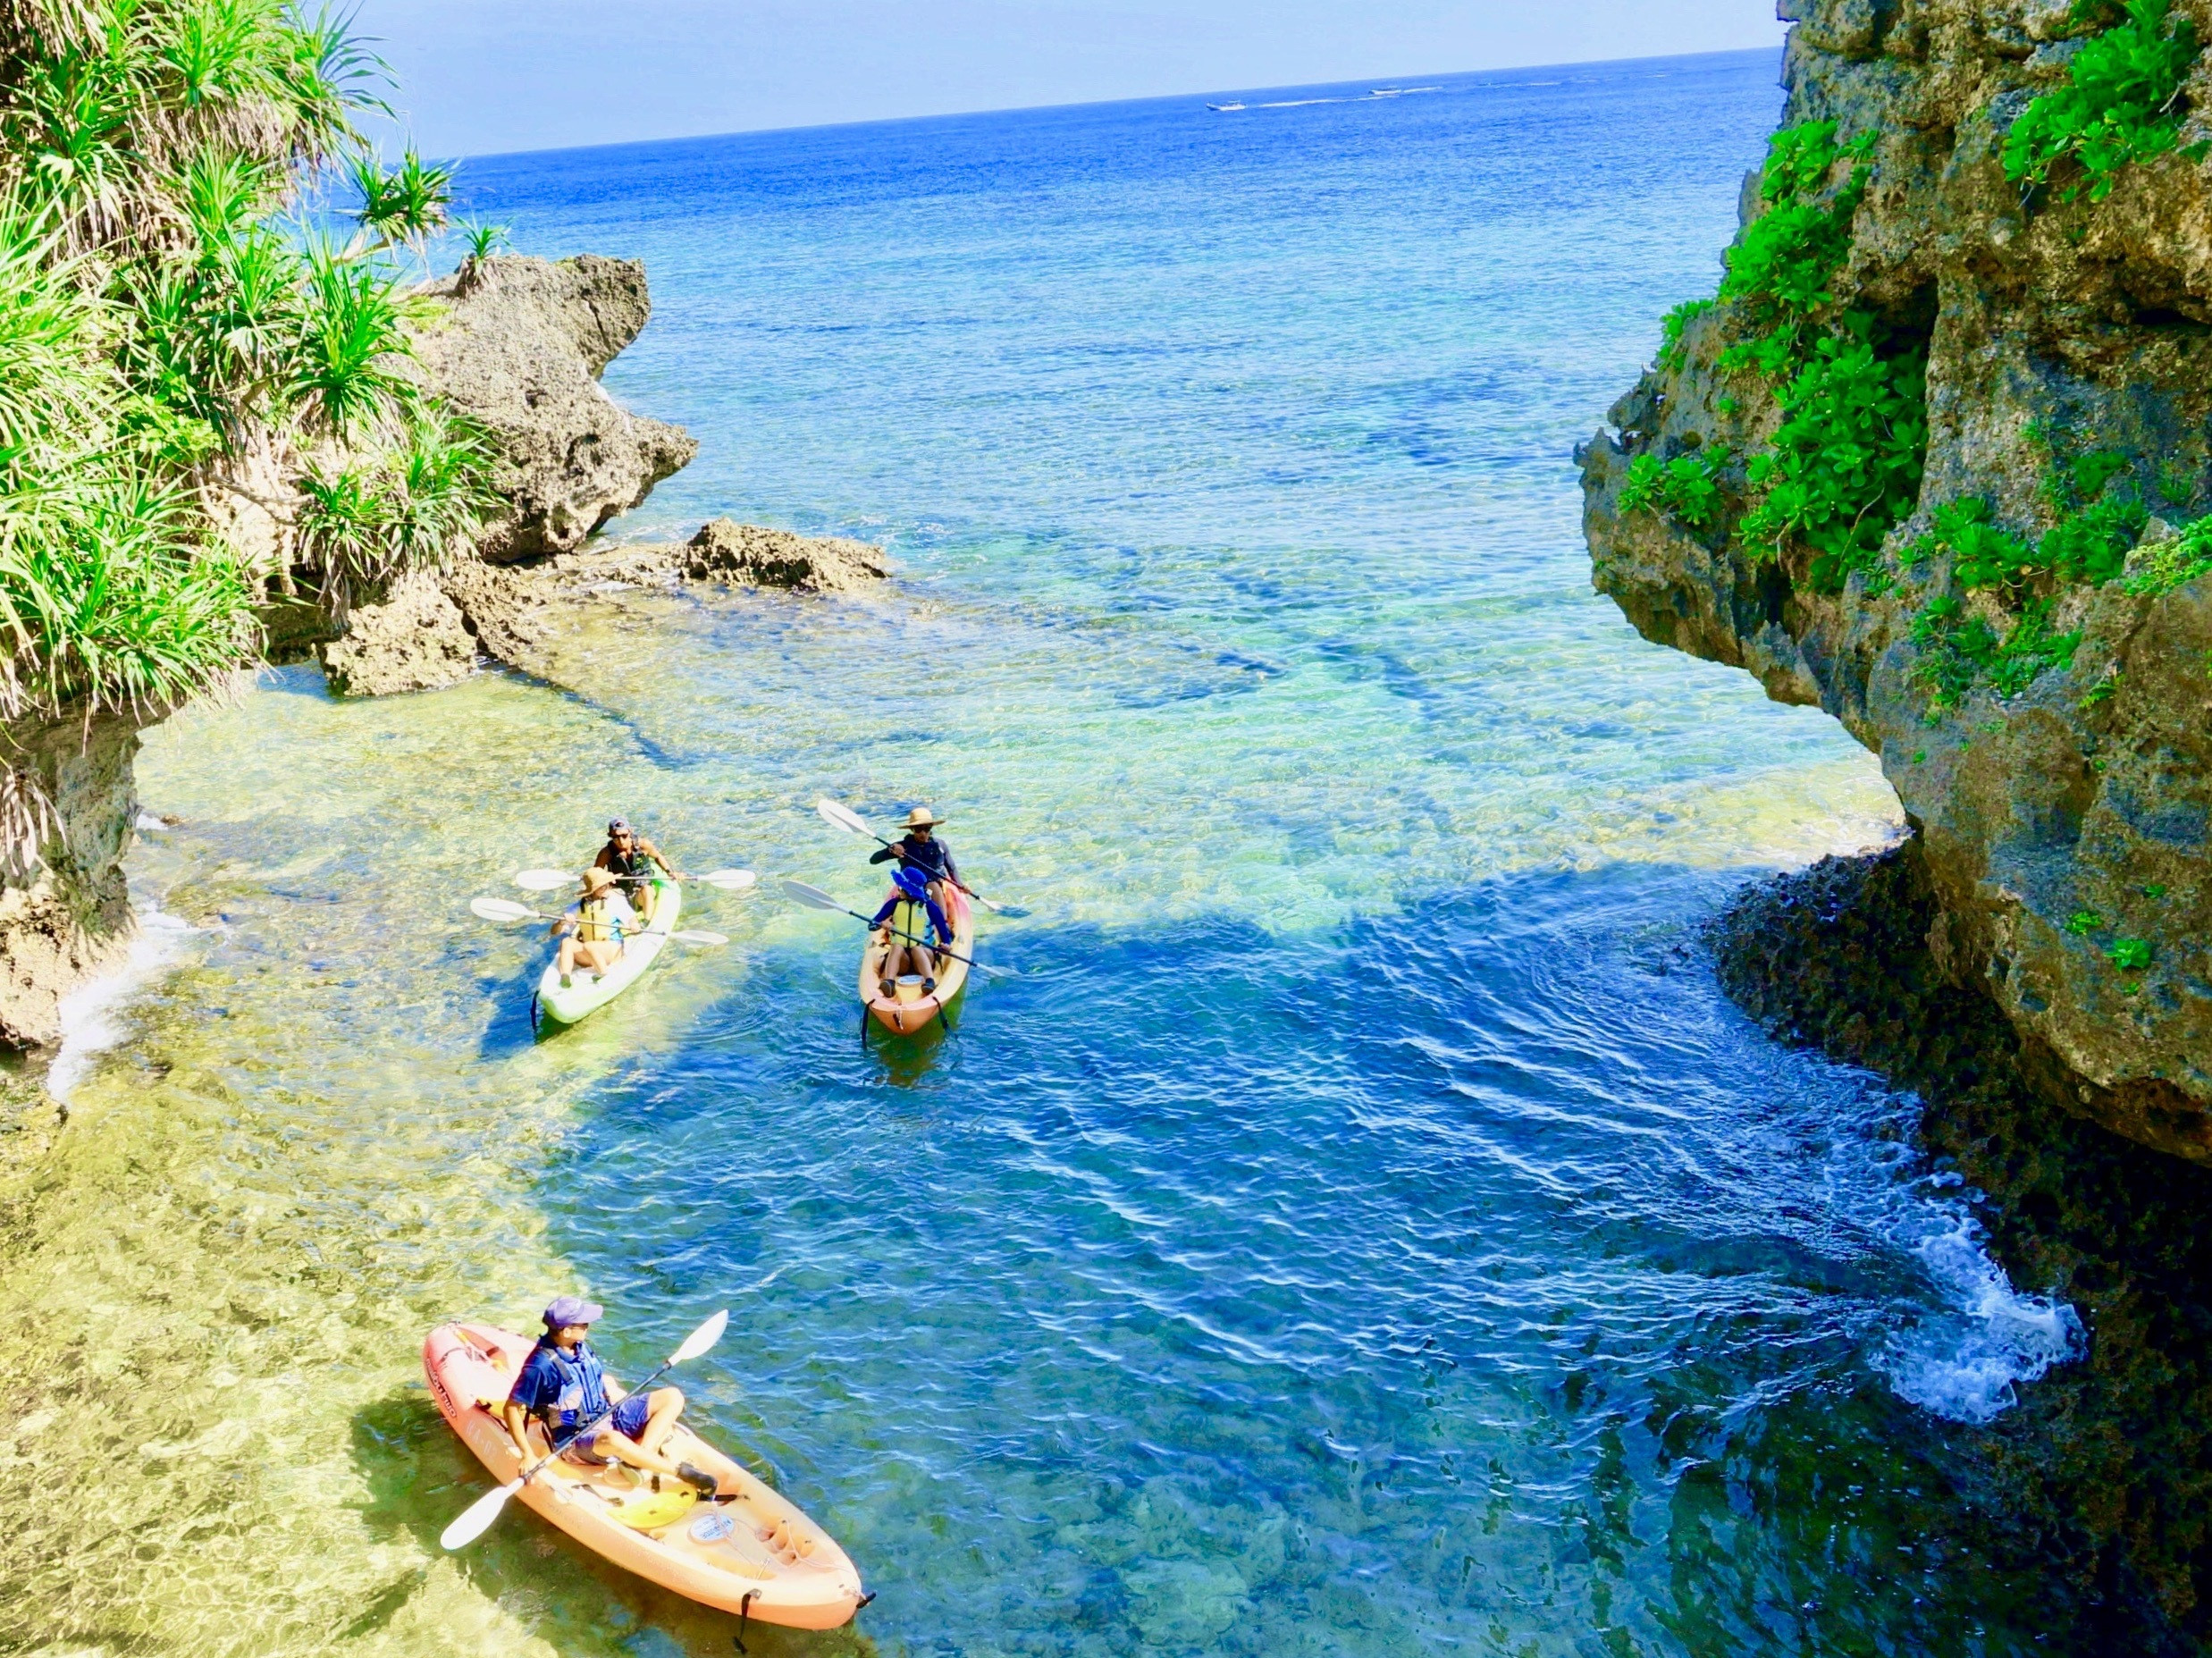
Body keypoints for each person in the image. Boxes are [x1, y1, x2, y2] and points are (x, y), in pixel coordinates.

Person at [501, 1296, 724, 1496]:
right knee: (614, 1440)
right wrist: (527, 1454)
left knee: (672, 1397)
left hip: (607, 1414)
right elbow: (511, 1408)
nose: (588, 1326)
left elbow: (592, 1380)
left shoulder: (578, 1346)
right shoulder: (539, 1367)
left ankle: (639, 1459)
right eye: (583, 1323)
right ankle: (684, 1473)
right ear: (566, 1331)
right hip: (574, 1436)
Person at [870, 864, 954, 998]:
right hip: (902, 962)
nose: (898, 890)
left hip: (925, 957)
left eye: (900, 887)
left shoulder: (929, 906)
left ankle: (929, 982)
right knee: (896, 946)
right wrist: (882, 924)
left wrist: (947, 944)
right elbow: (872, 925)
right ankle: (889, 982)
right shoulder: (893, 904)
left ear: (907, 890)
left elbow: (944, 933)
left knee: (916, 948)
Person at [552, 866, 635, 988]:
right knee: (567, 942)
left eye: (607, 884)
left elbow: (631, 918)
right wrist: (561, 922)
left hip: (611, 950)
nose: (606, 887)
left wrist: (634, 924)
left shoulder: (615, 901)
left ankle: (603, 973)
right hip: (589, 953)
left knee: (589, 945)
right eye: (602, 886)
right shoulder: (577, 907)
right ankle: (565, 977)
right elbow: (554, 932)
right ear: (592, 889)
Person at [869, 806, 960, 913]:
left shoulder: (940, 845)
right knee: (924, 888)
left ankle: (941, 923)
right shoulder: (902, 847)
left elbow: (952, 868)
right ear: (912, 830)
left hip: (936, 888)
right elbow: (873, 860)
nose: (923, 833)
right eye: (918, 829)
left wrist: (960, 886)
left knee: (933, 885)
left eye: (927, 828)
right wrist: (890, 850)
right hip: (911, 888)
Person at [595, 819, 673, 926]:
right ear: (610, 835)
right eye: (616, 837)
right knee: (605, 895)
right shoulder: (606, 853)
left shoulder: (643, 845)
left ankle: (645, 922)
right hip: (620, 893)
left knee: (647, 889)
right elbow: (595, 874)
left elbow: (658, 857)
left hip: (640, 892)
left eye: (624, 835)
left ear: (630, 831)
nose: (621, 840)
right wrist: (605, 880)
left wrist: (670, 872)